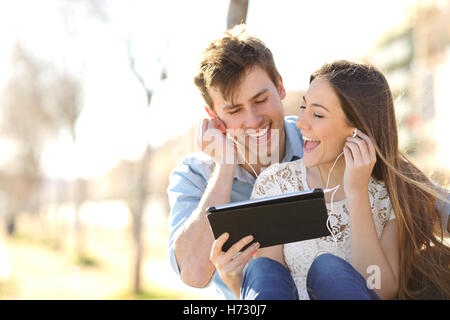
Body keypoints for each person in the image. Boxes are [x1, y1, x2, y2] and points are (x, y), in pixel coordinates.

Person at [210, 60, 450, 300]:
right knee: (261, 268)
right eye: (303, 107)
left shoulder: (388, 193)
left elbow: (378, 289)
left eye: (318, 114)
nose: (301, 122)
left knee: (327, 268)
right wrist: (237, 283)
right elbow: (268, 283)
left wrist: (356, 193)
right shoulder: (276, 183)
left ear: (357, 129)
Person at [166, 24, 304, 299]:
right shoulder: (194, 174)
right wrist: (225, 166)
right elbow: (193, 273)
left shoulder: (319, 140)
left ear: (280, 86)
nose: (253, 120)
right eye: (234, 110)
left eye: (261, 99)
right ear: (213, 115)